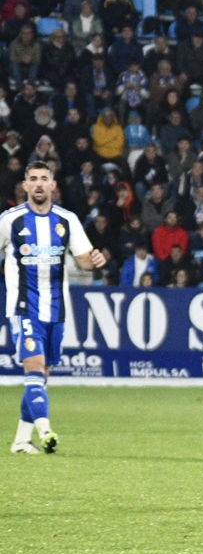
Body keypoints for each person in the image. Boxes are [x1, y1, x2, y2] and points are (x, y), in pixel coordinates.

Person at [1, 162, 107, 453]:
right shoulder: (10, 220)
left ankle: (21, 441)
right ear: (25, 186)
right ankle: (46, 431)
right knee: (34, 366)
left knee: (42, 374)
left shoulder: (67, 220)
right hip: (23, 306)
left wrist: (94, 261)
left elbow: (83, 260)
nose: (38, 184)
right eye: (33, 179)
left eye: (43, 179)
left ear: (52, 185)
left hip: (56, 308)